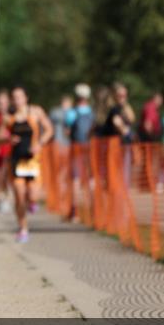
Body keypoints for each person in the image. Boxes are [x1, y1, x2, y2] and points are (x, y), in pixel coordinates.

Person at [7, 86, 54, 242]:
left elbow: (49, 130)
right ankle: (23, 229)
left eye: (20, 96)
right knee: (19, 196)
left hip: (32, 160)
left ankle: (32, 202)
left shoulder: (35, 112)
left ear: (26, 98)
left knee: (32, 195)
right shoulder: (10, 117)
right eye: (14, 97)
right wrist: (9, 139)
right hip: (16, 159)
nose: (17, 100)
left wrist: (39, 144)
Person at [66, 83, 93, 222]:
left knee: (75, 179)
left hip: (76, 148)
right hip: (90, 149)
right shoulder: (92, 112)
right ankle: (93, 210)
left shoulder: (72, 112)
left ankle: (75, 211)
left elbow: (67, 130)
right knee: (90, 179)